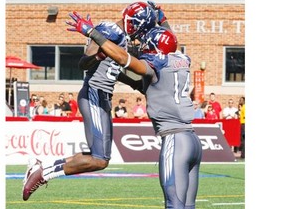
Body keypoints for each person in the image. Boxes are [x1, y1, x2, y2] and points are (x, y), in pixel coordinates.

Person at [22, 3, 157, 201]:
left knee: (99, 157)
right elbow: (83, 62)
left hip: (102, 96)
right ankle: (43, 173)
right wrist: (98, 54)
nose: (140, 34)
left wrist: (136, 84)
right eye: (141, 28)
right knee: (99, 160)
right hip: (94, 93)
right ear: (134, 23)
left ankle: (41, 167)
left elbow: (113, 71)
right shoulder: (110, 30)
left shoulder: (121, 37)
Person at [65, 14, 202, 208]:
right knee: (188, 206)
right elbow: (170, 41)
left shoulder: (155, 67)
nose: (142, 47)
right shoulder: (182, 59)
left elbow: (123, 58)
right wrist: (163, 20)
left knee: (175, 204)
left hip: (175, 140)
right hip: (192, 139)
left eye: (146, 44)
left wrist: (91, 32)